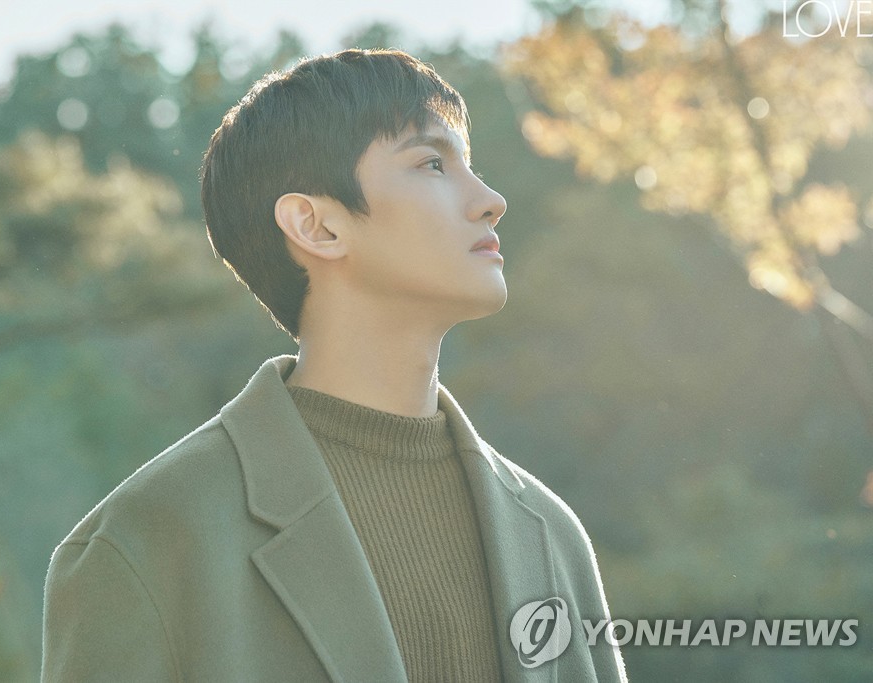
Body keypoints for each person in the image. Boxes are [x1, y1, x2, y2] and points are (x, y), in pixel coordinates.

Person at [41, 48, 627, 682]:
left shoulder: (549, 533)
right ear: (316, 226)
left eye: (469, 164)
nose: (491, 200)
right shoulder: (147, 542)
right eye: (432, 163)